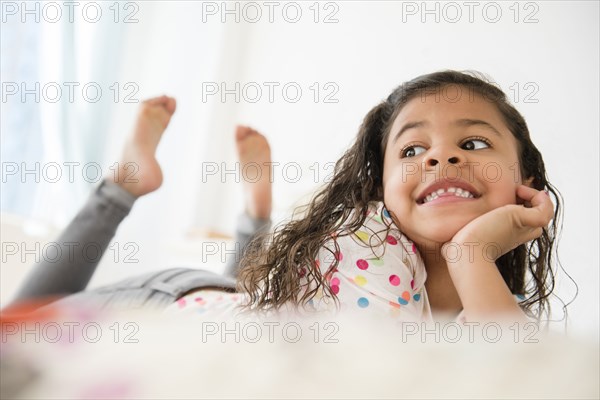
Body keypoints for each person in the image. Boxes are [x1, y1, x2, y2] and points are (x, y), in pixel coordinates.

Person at [7, 70, 563, 325]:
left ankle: (254, 215)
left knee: (251, 296)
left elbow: (512, 378)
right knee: (17, 328)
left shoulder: (493, 307)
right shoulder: (369, 236)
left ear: (526, 181)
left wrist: (473, 259)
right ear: (379, 189)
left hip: (237, 301)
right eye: (413, 150)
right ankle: (123, 186)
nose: (441, 158)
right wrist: (469, 254)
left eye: (472, 142)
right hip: (166, 305)